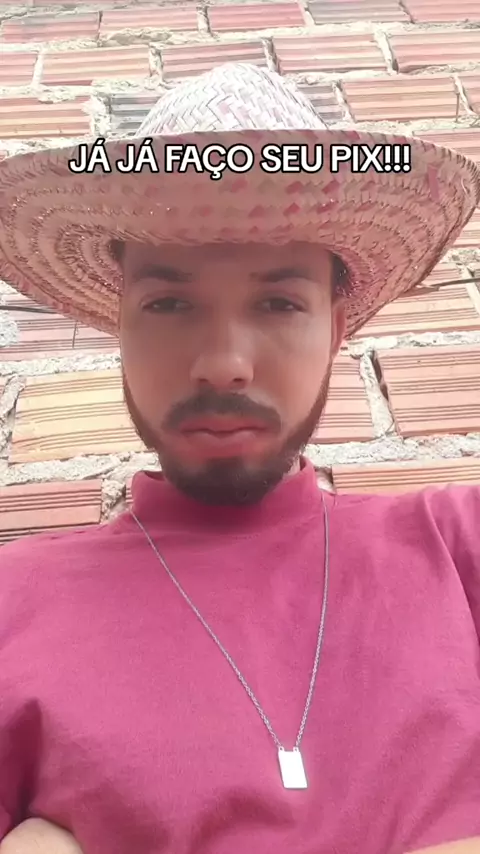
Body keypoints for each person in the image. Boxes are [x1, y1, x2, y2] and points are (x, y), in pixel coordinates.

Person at [0, 62, 479, 854]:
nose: (223, 363)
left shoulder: (458, 546)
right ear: (121, 325)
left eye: (279, 302)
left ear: (336, 330)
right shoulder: (13, 600)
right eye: (169, 303)